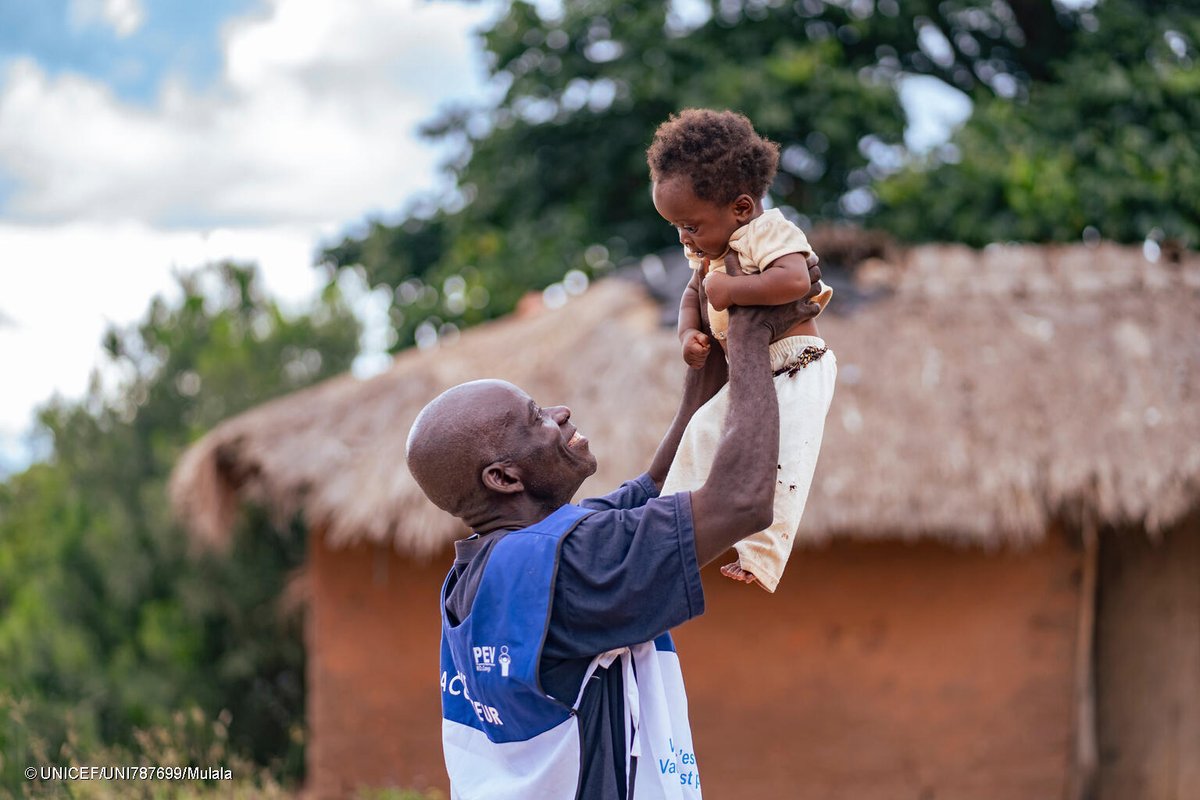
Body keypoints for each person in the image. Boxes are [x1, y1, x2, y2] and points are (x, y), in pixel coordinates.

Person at [405, 259, 823, 800]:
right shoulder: (570, 564)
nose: (560, 412)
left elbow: (658, 485)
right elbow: (741, 502)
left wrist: (709, 357)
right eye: (536, 418)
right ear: (504, 477)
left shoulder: (500, 569)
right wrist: (752, 335)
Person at [647, 108, 838, 593]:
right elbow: (693, 295)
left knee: (785, 461)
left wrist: (733, 293)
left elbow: (795, 280)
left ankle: (763, 557)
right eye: (677, 229)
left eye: (691, 225)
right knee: (701, 434)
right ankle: (661, 525)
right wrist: (687, 334)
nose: (685, 238)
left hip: (797, 361)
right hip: (748, 372)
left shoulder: (768, 233)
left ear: (741, 207)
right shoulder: (707, 252)